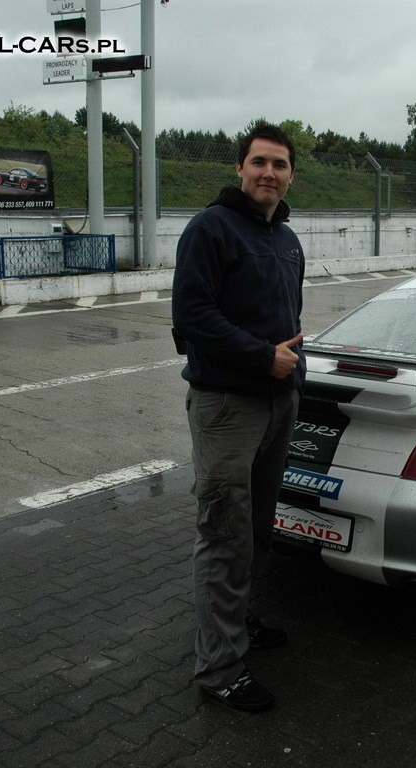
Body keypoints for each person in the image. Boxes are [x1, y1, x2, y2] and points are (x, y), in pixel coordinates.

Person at [171, 123, 305, 712]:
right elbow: (190, 318)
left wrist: (290, 370)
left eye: (279, 164)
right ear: (240, 168)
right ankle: (220, 668)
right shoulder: (210, 229)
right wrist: (261, 356)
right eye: (259, 162)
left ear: (290, 174)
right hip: (228, 406)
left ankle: (238, 622)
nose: (268, 173)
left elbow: (282, 318)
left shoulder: (287, 239)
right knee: (224, 534)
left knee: (255, 529)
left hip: (279, 402)